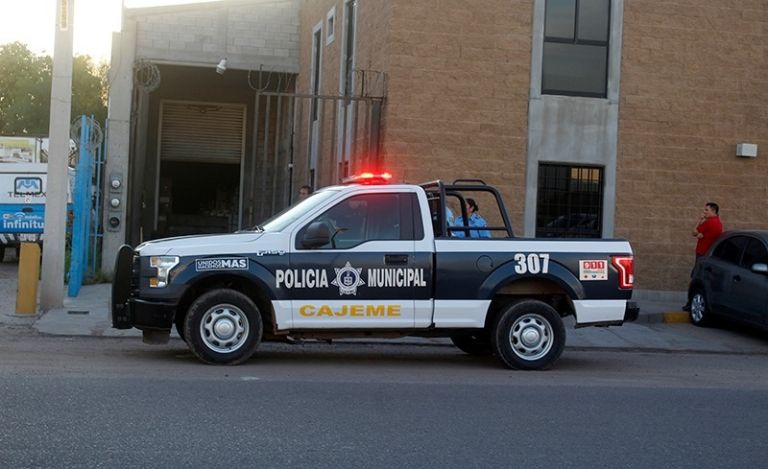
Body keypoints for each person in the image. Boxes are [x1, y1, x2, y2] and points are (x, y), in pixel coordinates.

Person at [682, 202, 723, 311]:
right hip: (708, 255)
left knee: (695, 278)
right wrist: (700, 235)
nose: (704, 212)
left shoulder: (709, 222)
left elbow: (694, 232)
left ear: (713, 211)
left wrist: (699, 221)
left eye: (706, 210)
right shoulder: (718, 223)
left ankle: (690, 303)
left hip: (702, 255)